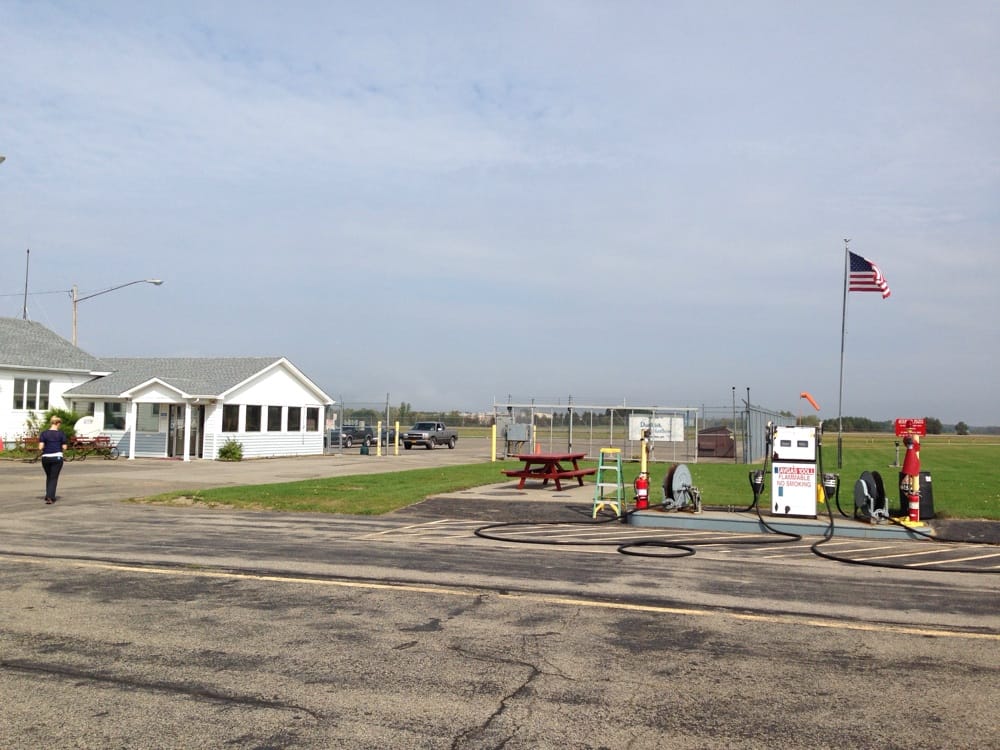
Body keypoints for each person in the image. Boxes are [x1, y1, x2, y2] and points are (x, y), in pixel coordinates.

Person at [38, 416, 68, 505]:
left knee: (49, 476)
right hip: (57, 457)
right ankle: (50, 497)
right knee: (53, 477)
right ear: (58, 423)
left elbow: (40, 447)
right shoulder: (61, 434)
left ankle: (48, 494)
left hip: (46, 457)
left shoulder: (44, 433)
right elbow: (64, 447)